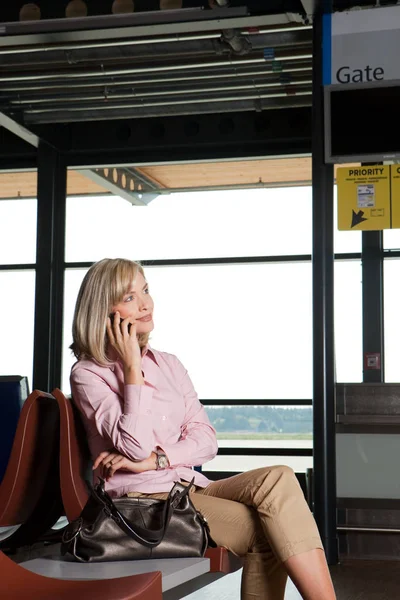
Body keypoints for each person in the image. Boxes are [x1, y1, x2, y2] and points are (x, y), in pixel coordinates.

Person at [69, 257, 336, 600]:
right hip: (146, 505)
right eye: (129, 297)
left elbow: (207, 441)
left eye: (146, 290)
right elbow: (133, 447)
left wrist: (156, 460)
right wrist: (132, 368)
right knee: (266, 532)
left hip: (187, 488)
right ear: (103, 311)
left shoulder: (169, 364)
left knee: (279, 476)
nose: (146, 303)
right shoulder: (88, 375)